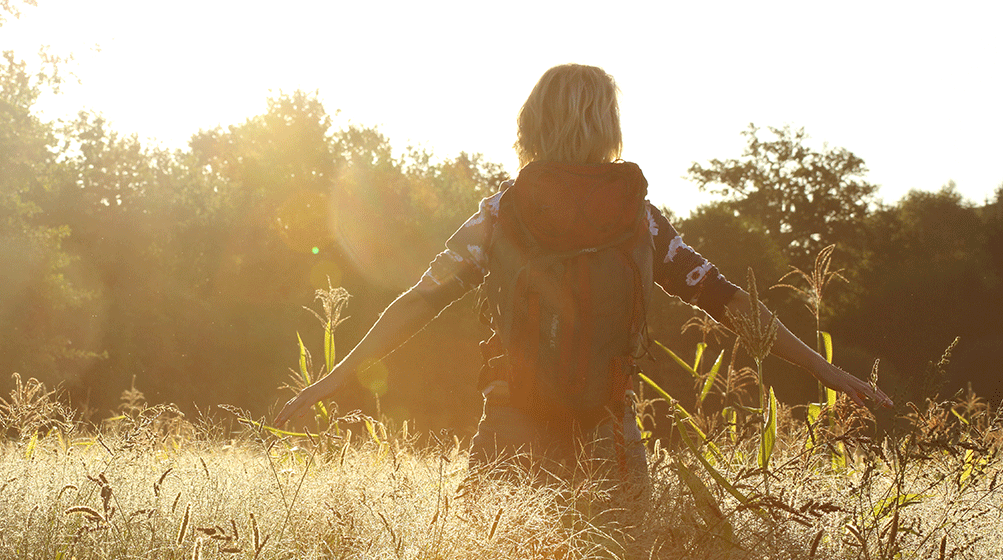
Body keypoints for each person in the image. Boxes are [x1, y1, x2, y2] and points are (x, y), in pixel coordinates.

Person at [274, 63, 892, 482]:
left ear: (530, 124)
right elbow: (729, 301)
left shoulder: (501, 214)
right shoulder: (640, 220)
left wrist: (332, 379)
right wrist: (830, 372)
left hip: (512, 423)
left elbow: (419, 300)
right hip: (609, 427)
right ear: (609, 127)